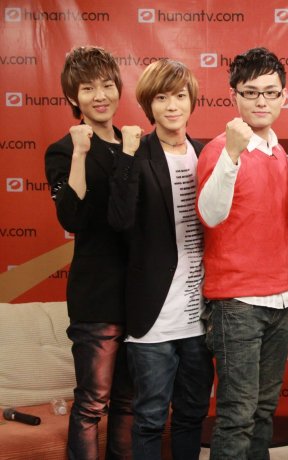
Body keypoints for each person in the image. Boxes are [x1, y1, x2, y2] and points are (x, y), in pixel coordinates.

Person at [196, 47, 288, 460]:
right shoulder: (218, 150)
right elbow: (210, 215)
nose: (262, 101)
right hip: (236, 305)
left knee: (262, 412)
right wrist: (232, 153)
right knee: (237, 416)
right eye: (251, 92)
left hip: (279, 301)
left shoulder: (278, 154)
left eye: (271, 92)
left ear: (283, 97)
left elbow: (278, 227)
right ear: (234, 96)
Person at [108, 59, 214, 460]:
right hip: (153, 318)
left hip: (199, 317)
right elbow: (119, 220)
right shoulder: (137, 153)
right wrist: (126, 156)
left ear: (192, 101)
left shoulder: (207, 153)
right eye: (162, 98)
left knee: (191, 415)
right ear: (148, 105)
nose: (172, 106)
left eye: (180, 96)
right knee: (150, 418)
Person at [44, 45, 133, 460]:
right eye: (88, 88)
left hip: (139, 297)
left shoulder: (133, 143)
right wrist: (80, 152)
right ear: (72, 97)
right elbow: (72, 217)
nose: (100, 96)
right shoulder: (63, 150)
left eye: (107, 85)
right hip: (96, 298)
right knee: (92, 403)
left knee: (129, 403)